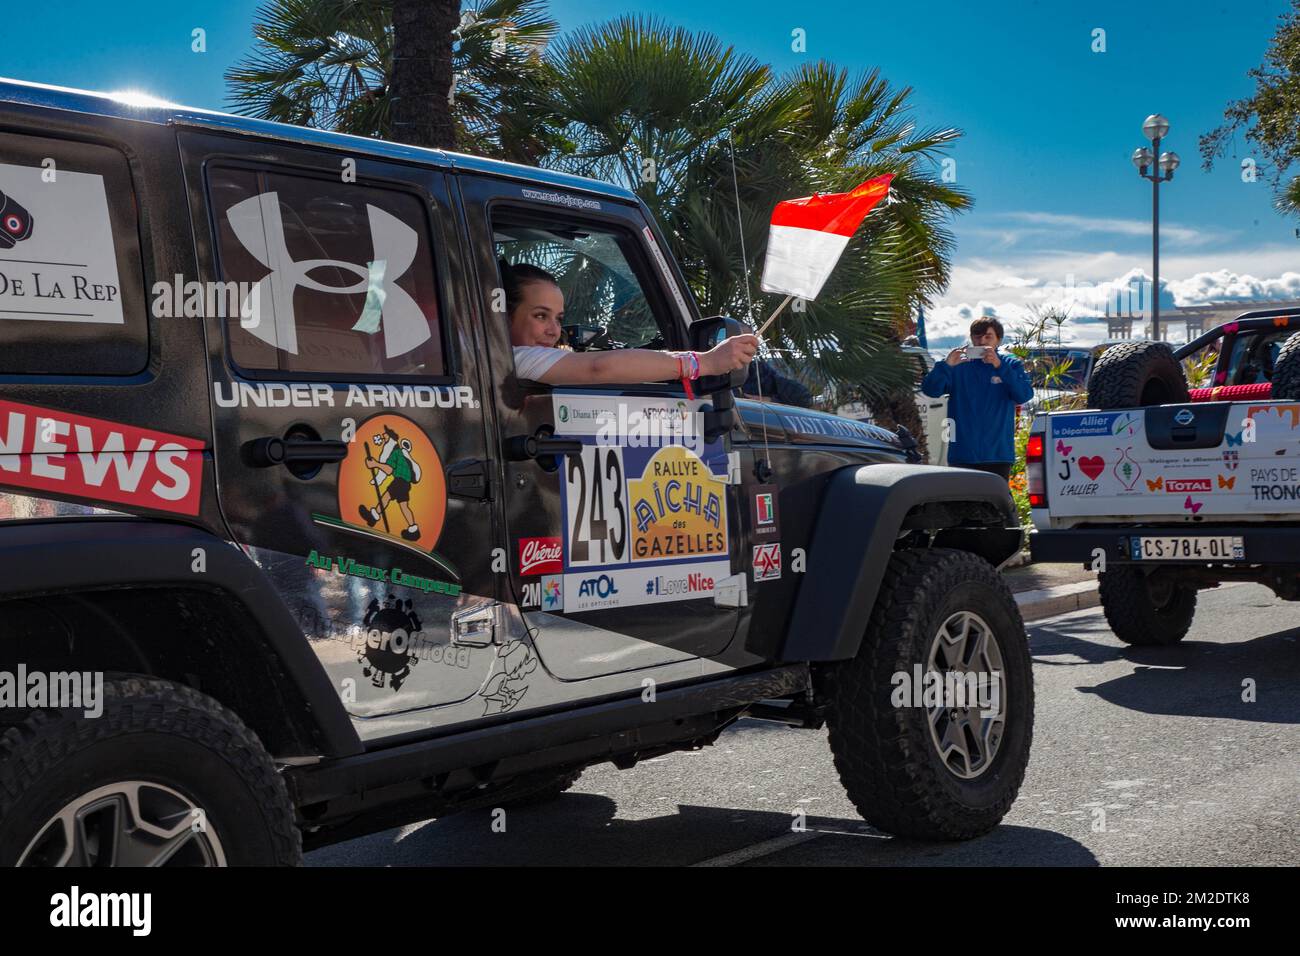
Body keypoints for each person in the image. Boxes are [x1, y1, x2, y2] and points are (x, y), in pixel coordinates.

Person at [503, 261, 758, 386]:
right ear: (504, 317)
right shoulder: (515, 359)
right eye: (540, 316)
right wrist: (706, 362)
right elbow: (599, 368)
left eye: (558, 319)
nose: (553, 331)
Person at [921, 317, 1032, 479]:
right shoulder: (958, 365)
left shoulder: (1010, 364)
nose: (981, 341)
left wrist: (999, 367)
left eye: (988, 337)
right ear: (971, 338)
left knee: (996, 502)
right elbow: (931, 390)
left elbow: (1023, 395)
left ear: (998, 340)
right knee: (964, 502)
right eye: (977, 336)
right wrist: (946, 365)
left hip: (998, 454)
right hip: (962, 454)